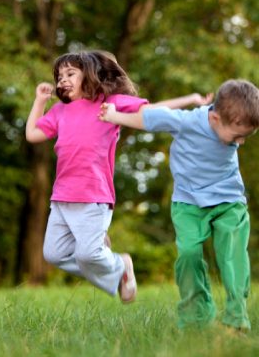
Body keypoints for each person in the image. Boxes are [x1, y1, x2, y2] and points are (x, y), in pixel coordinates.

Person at [25, 50, 212, 303]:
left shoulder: (109, 103)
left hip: (93, 196)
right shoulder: (59, 111)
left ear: (89, 75)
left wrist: (190, 98)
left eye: (70, 74)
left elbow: (152, 111)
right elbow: (33, 135)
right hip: (61, 197)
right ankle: (116, 267)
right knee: (54, 254)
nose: (62, 80)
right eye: (59, 76)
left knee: (87, 255)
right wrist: (39, 101)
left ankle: (120, 265)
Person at [99, 79, 259, 330]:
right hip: (188, 203)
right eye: (238, 136)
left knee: (233, 255)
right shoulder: (185, 122)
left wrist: (235, 135)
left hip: (229, 201)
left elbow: (236, 135)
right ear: (215, 119)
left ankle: (236, 316)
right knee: (188, 255)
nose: (241, 143)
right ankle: (196, 316)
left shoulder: (232, 127)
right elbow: (147, 117)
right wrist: (115, 115)